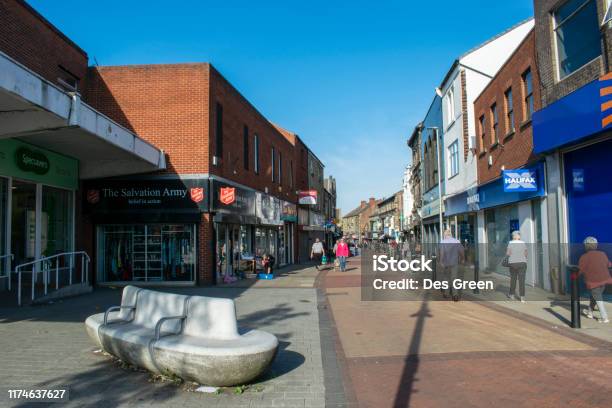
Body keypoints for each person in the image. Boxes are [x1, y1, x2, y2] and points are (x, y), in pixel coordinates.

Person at [578, 236, 612, 323]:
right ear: (596, 245)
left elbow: (580, 270)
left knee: (598, 298)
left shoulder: (584, 257)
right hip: (605, 280)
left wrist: (575, 278)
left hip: (593, 282)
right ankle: (590, 312)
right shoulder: (602, 254)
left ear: (586, 246)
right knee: (595, 296)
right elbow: (609, 265)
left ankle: (604, 317)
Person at [439, 229, 465, 301]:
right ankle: (455, 295)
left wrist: (441, 261)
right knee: (454, 278)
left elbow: (442, 253)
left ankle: (446, 293)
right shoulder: (456, 241)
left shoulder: (443, 242)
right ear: (450, 234)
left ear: (445, 235)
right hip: (454, 262)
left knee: (446, 278)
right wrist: (463, 258)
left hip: (446, 263)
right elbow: (461, 251)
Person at [506, 230, 528, 302]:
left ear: (513, 236)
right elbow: (525, 253)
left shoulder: (510, 243)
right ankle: (522, 297)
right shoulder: (523, 243)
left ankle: (511, 295)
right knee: (522, 280)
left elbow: (508, 253)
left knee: (513, 279)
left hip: (513, 263)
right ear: (518, 236)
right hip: (522, 263)